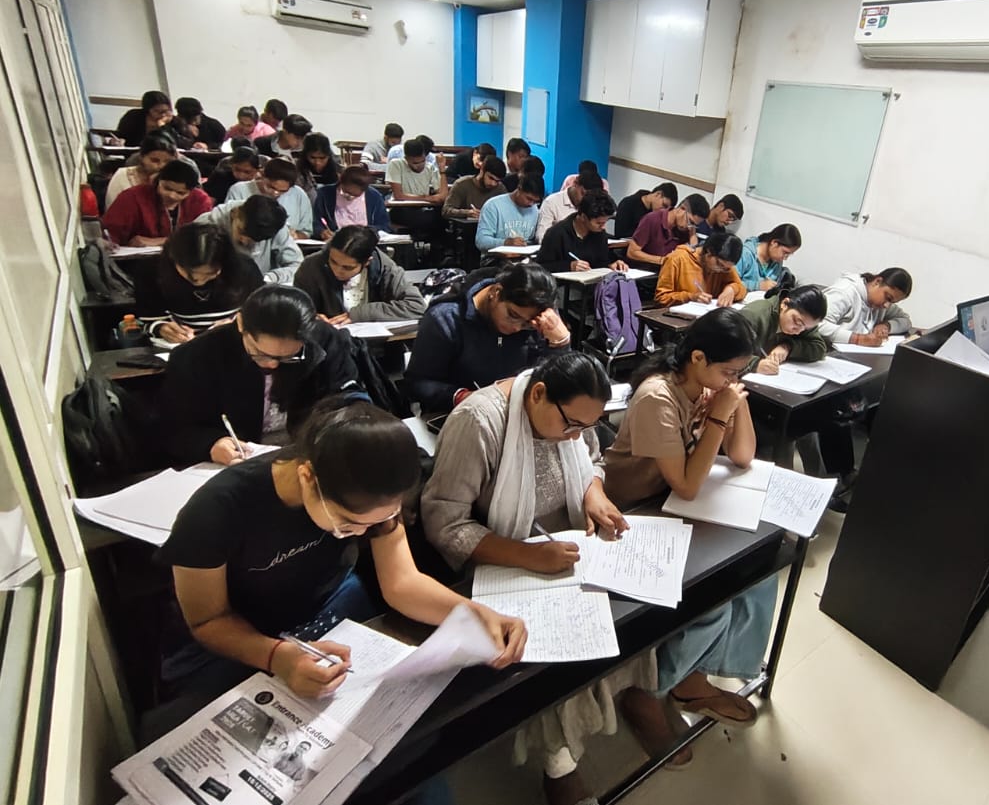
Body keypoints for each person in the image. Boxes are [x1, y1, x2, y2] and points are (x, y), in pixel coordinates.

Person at [156, 397, 525, 722]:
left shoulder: (373, 494)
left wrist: (475, 613)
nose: (363, 534)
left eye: (376, 523)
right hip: (241, 636)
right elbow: (208, 619)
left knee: (405, 732)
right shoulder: (217, 510)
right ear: (306, 476)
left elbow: (402, 582)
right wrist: (277, 657)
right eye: (348, 525)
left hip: (330, 608)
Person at [421, 353, 651, 805]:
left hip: (565, 542)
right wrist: (528, 555)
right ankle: (559, 761)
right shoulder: (479, 423)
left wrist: (593, 493)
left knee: (629, 608)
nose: (576, 436)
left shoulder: (574, 415)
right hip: (502, 551)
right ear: (539, 394)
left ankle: (635, 695)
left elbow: (592, 459)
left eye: (587, 426)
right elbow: (445, 524)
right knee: (555, 642)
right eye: (571, 425)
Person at [603, 309, 774, 744]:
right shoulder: (658, 396)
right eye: (729, 371)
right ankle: (653, 691)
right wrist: (718, 417)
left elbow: (742, 457)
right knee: (713, 598)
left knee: (760, 577)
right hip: (633, 512)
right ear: (697, 358)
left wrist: (735, 400)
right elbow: (686, 484)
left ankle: (698, 674)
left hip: (675, 504)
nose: (732, 379)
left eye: (740, 372)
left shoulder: (710, 385)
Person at [159, 285, 363, 466]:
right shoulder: (196, 356)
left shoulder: (325, 341)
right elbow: (175, 429)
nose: (272, 364)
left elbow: (347, 399)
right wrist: (210, 444)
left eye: (288, 357)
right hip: (238, 461)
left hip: (306, 453)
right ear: (241, 324)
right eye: (260, 353)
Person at [404, 262, 570, 415]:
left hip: (517, 414)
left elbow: (555, 383)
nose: (517, 328)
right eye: (513, 315)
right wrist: (462, 397)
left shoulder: (540, 320)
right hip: (457, 415)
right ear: (496, 292)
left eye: (527, 324)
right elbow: (418, 383)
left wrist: (560, 344)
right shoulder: (445, 318)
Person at [134, 223, 263, 344]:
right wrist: (160, 327)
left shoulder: (244, 269)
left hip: (235, 343)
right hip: (180, 346)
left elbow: (262, 311)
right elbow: (145, 317)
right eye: (189, 273)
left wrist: (238, 324)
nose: (198, 280)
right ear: (174, 259)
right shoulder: (153, 271)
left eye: (210, 273)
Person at [294, 226, 426, 325]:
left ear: (367, 262)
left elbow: (417, 306)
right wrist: (310, 316)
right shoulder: (311, 266)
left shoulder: (384, 267)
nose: (337, 270)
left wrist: (363, 314)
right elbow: (294, 309)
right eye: (333, 262)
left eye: (348, 267)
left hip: (378, 345)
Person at [102, 159, 213, 247]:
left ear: (191, 191)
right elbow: (111, 233)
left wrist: (159, 241)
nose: (171, 196)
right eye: (167, 188)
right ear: (158, 180)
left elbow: (204, 236)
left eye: (180, 193)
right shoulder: (133, 197)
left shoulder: (199, 200)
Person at [197, 196, 304, 284]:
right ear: (235, 213)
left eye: (254, 241)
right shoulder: (205, 225)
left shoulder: (274, 226)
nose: (244, 241)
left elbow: (298, 266)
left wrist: (271, 277)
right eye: (241, 232)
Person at [737, 285, 828, 374]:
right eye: (797, 323)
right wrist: (755, 364)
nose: (798, 332)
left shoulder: (805, 322)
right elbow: (729, 350)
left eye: (805, 328)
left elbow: (819, 348)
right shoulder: (754, 315)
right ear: (784, 304)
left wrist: (788, 347)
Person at [536, 190, 628, 274]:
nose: (603, 227)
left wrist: (610, 265)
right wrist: (569, 266)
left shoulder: (599, 234)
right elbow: (541, 267)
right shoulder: (557, 233)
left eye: (605, 222)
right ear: (583, 217)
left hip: (592, 282)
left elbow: (601, 262)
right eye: (599, 223)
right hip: (564, 284)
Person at [819, 267, 914, 347]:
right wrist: (858, 339)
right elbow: (817, 325)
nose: (886, 306)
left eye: (892, 302)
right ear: (877, 282)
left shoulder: (881, 304)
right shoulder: (844, 293)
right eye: (888, 298)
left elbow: (905, 320)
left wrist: (886, 326)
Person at [104, 130, 198, 209]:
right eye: (155, 160)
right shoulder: (122, 176)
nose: (162, 166)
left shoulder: (181, 179)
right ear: (142, 157)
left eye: (168, 161)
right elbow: (114, 210)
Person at [226, 157, 314, 238]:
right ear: (262, 176)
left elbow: (306, 232)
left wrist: (295, 236)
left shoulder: (299, 195)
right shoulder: (239, 190)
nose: (276, 193)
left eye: (283, 191)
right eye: (271, 187)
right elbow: (229, 224)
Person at [654, 232, 747, 308]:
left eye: (726, 268)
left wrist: (732, 289)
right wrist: (690, 297)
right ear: (709, 252)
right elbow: (661, 298)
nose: (720, 270)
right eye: (719, 264)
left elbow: (741, 289)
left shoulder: (725, 268)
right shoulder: (677, 259)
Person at [386, 137, 447, 247]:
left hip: (423, 209)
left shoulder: (429, 167)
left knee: (442, 217)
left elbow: (443, 195)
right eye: (415, 163)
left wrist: (442, 169)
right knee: (434, 220)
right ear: (406, 159)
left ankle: (436, 253)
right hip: (401, 210)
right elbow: (399, 195)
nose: (420, 165)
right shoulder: (396, 165)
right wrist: (426, 198)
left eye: (423, 161)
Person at [626, 195, 708, 271]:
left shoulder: (687, 230)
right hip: (644, 271)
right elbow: (632, 252)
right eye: (690, 221)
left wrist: (692, 236)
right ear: (682, 208)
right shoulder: (652, 219)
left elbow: (692, 260)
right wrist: (662, 260)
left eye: (694, 225)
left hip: (667, 274)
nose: (689, 227)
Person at [314, 167, 391, 238]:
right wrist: (321, 232)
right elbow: (316, 220)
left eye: (355, 195)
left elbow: (384, 225)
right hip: (335, 240)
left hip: (365, 241)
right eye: (345, 192)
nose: (349, 197)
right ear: (341, 182)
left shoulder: (374, 196)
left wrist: (367, 231)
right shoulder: (325, 194)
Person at [475, 173, 544, 251]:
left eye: (535, 201)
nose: (531, 204)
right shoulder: (493, 206)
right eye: (529, 199)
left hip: (524, 255)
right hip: (496, 256)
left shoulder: (534, 209)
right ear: (519, 189)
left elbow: (532, 239)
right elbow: (481, 241)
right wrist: (505, 243)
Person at [535, 168, 601, 241]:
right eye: (583, 194)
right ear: (575, 183)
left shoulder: (592, 205)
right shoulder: (551, 202)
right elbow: (542, 236)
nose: (585, 200)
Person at [736, 223, 802, 292]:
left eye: (789, 255)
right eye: (785, 253)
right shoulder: (745, 254)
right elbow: (731, 283)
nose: (785, 258)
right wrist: (758, 286)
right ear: (774, 243)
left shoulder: (777, 261)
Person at [442, 154, 506, 220]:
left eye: (497, 181)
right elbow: (446, 211)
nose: (493, 184)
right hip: (466, 225)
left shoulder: (500, 188)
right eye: (491, 178)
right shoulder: (462, 184)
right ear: (482, 170)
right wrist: (467, 213)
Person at [296, 132, 342, 202]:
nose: (317, 162)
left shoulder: (339, 171)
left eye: (322, 158)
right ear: (305, 155)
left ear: (329, 156)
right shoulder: (297, 171)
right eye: (312, 157)